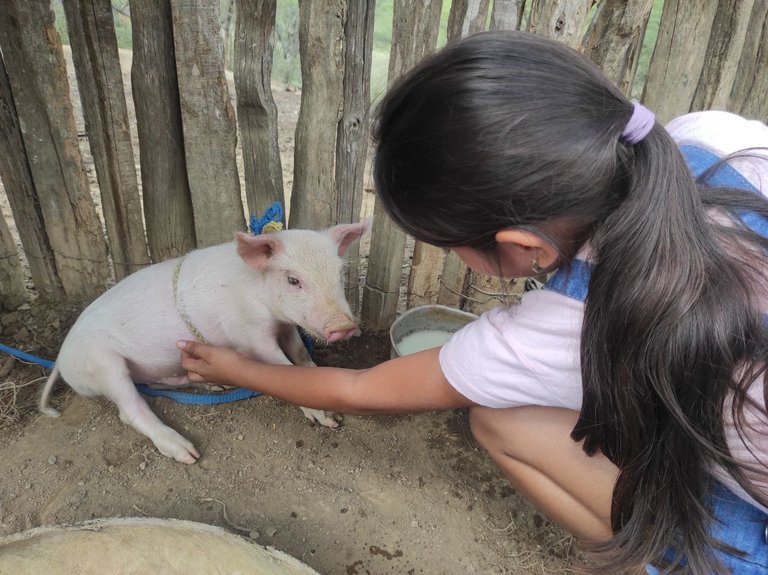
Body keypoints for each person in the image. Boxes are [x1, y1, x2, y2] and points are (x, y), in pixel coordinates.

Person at [178, 31, 768, 574]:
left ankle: (689, 562)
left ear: (521, 247)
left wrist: (236, 368)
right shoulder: (718, 138)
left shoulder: (556, 327)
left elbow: (358, 391)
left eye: (448, 246)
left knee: (495, 416)